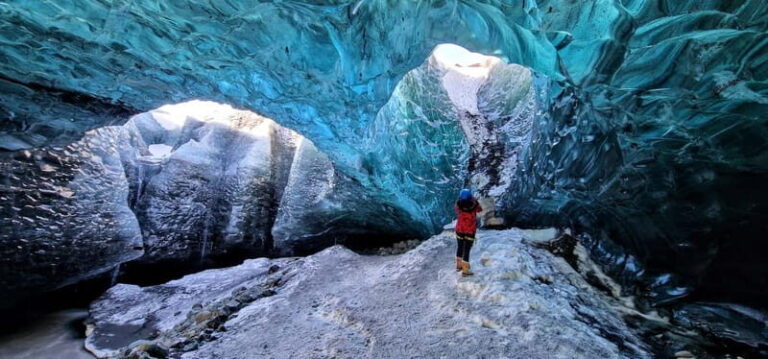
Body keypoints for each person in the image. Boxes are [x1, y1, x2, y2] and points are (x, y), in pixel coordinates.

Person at [454, 188, 482, 276]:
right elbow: (480, 210)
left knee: (460, 247)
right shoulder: (474, 204)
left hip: (459, 229)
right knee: (466, 249)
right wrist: (474, 200)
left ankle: (459, 266)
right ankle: (465, 270)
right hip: (470, 230)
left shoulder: (459, 204)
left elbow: (456, 209)